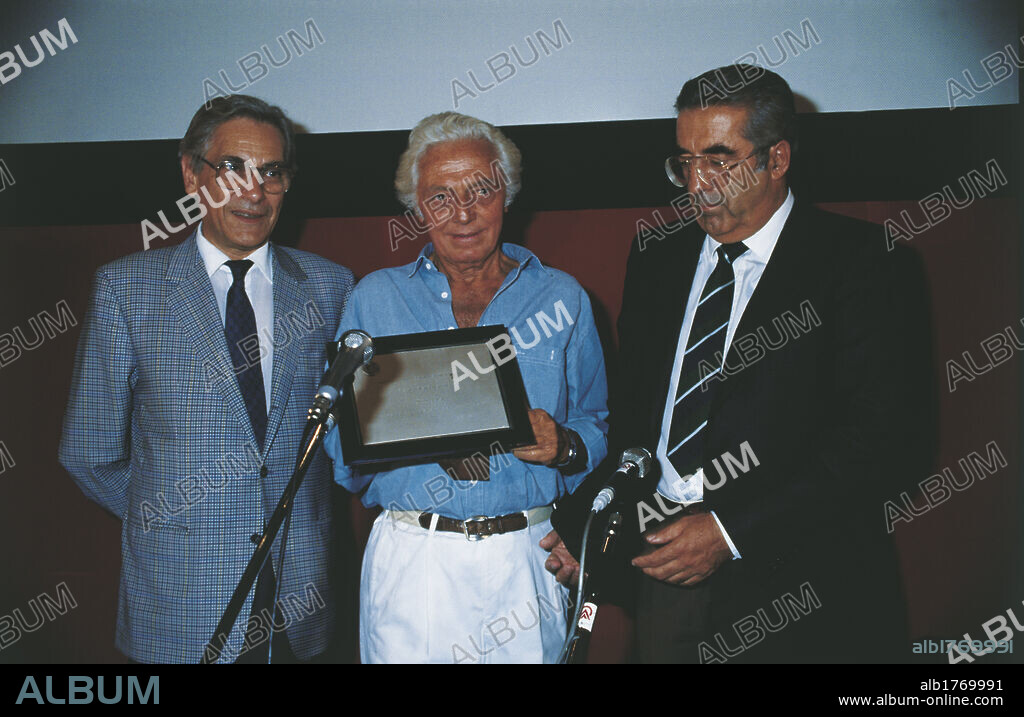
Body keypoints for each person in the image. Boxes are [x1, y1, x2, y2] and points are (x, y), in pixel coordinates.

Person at [549, 65, 932, 663]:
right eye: (685, 162)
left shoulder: (865, 263)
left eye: (720, 161)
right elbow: (637, 426)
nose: (698, 184)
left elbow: (885, 443)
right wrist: (593, 530)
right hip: (664, 576)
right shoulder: (656, 257)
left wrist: (731, 533)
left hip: (804, 585)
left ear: (777, 159)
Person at [59, 95, 354, 663]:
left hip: (299, 597)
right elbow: (87, 452)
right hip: (181, 598)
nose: (253, 190)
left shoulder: (332, 287)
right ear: (193, 174)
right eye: (233, 168)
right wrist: (175, 518)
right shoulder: (128, 291)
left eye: (271, 172)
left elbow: (352, 439)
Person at [323, 111, 608, 663]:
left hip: (526, 556)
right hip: (415, 556)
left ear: (508, 194)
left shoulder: (562, 297)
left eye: (481, 189)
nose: (463, 213)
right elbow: (340, 452)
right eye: (440, 197)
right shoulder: (374, 299)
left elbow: (598, 425)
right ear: (417, 208)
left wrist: (565, 447)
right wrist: (416, 437)